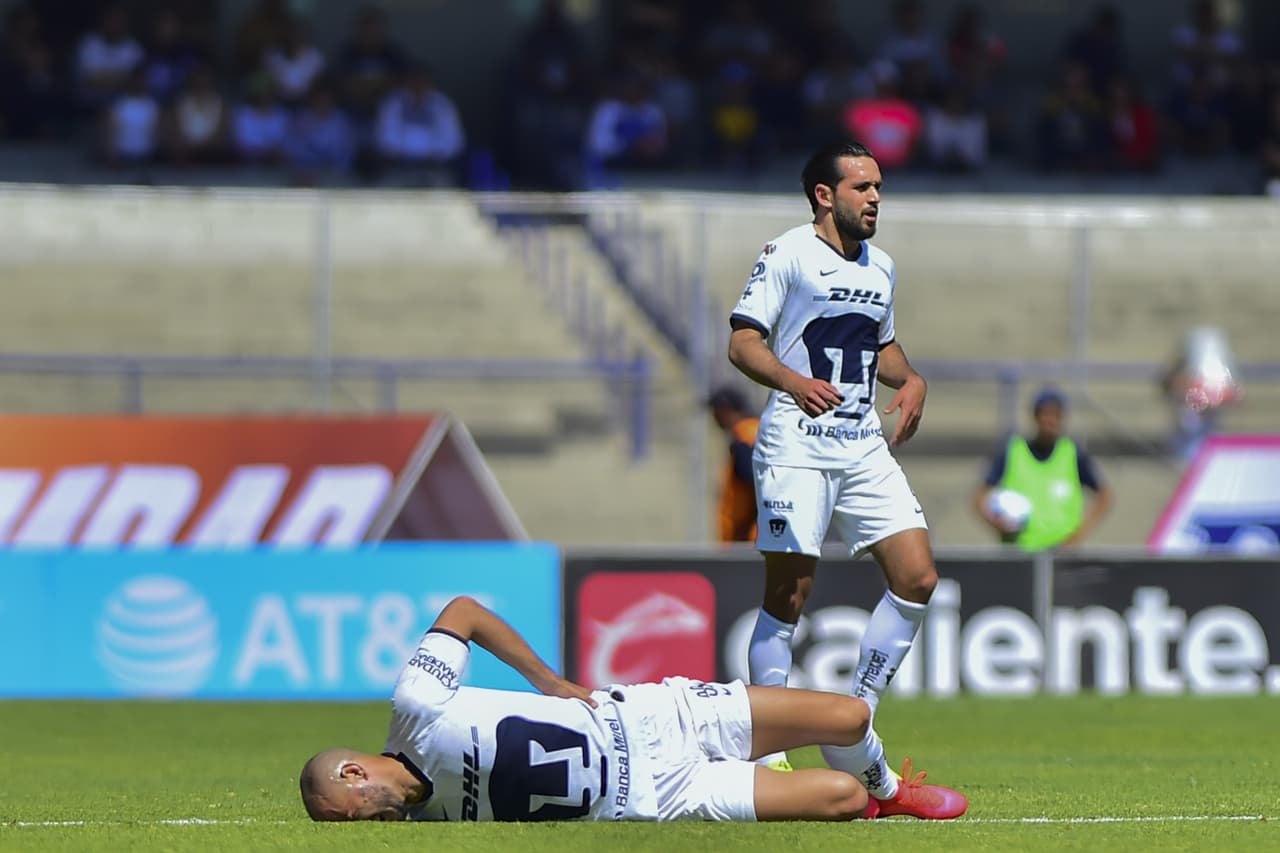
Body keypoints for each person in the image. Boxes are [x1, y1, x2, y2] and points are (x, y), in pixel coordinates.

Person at [299, 595, 968, 822]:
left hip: (654, 717)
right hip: (662, 796)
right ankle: (871, 794)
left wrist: (551, 680)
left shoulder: (415, 706)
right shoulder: (425, 822)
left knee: (850, 716)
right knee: (842, 797)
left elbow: (464, 612)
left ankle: (893, 786)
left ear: (354, 774)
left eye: (344, 815)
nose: (358, 826)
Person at [726, 140, 941, 813]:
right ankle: (771, 750)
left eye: (879, 187)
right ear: (825, 194)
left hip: (861, 445)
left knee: (917, 576)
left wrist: (911, 380)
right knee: (790, 594)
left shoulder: (881, 269)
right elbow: (741, 341)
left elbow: (882, 346)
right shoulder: (786, 252)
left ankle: (855, 718)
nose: (875, 198)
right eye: (861, 187)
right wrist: (793, 382)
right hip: (796, 443)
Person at [973, 387, 1113, 550]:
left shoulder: (1072, 453)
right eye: (1045, 414)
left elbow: (1104, 496)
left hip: (1062, 554)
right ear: (1035, 416)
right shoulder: (1013, 451)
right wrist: (996, 523)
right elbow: (979, 497)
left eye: (1055, 415)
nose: (1050, 421)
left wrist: (1079, 534)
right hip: (1021, 552)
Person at [708, 385, 759, 543]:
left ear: (725, 410)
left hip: (746, 537)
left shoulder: (744, 437)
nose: (713, 417)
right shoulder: (759, 429)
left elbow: (756, 484)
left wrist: (746, 528)